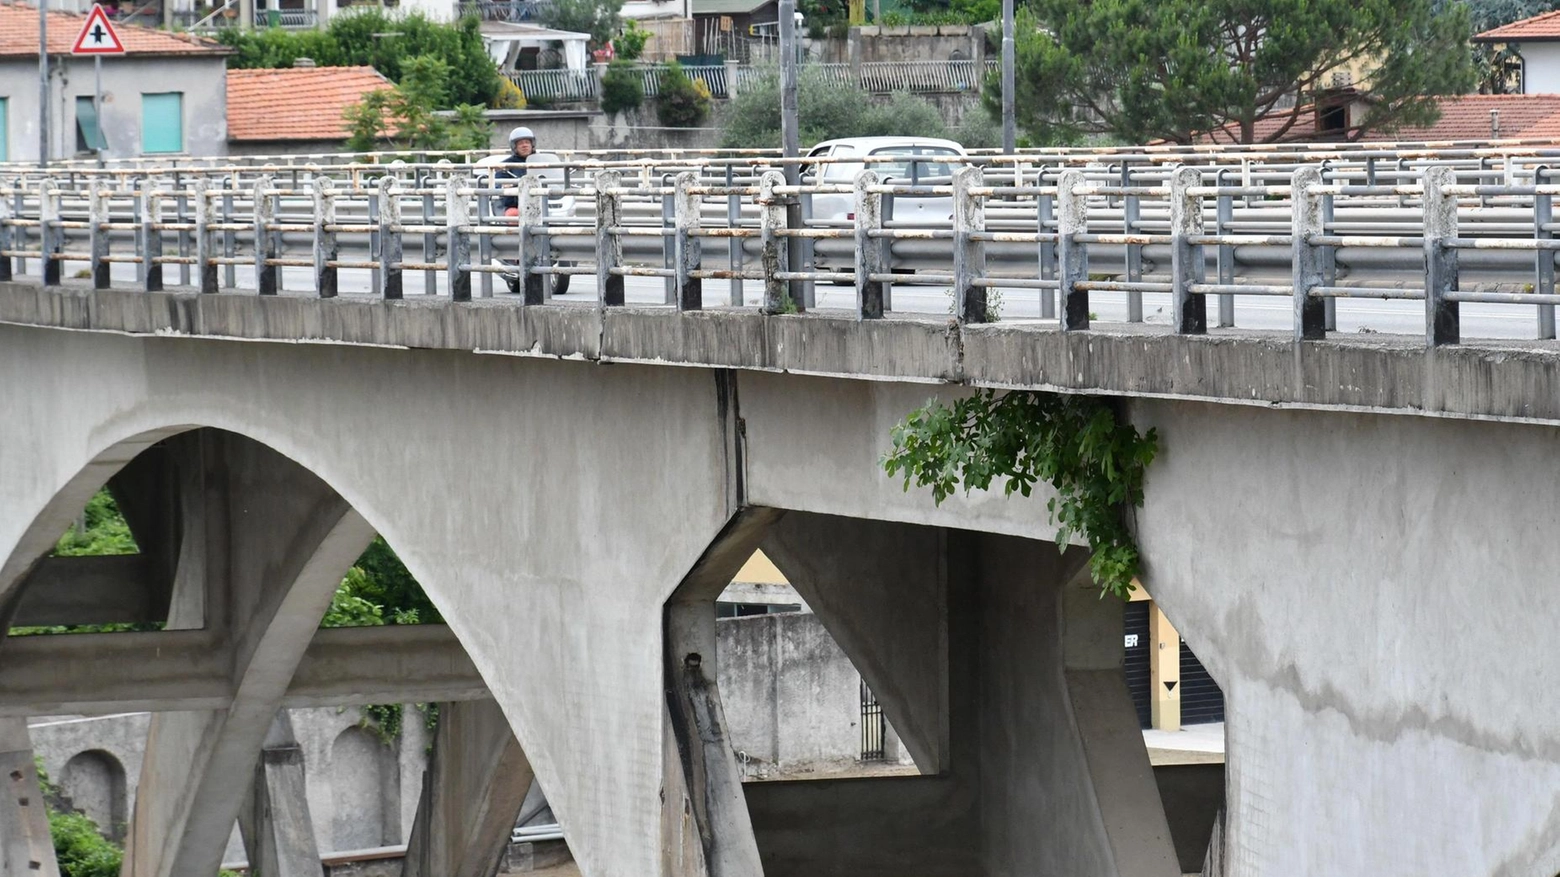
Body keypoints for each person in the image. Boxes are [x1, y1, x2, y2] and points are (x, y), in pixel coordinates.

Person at [495, 127, 536, 216]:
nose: (525, 145)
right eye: (520, 143)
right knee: (513, 214)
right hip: (515, 204)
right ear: (514, 146)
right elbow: (498, 185)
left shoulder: (541, 161)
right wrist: (507, 185)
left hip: (543, 202)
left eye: (527, 142)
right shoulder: (505, 165)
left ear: (532, 144)